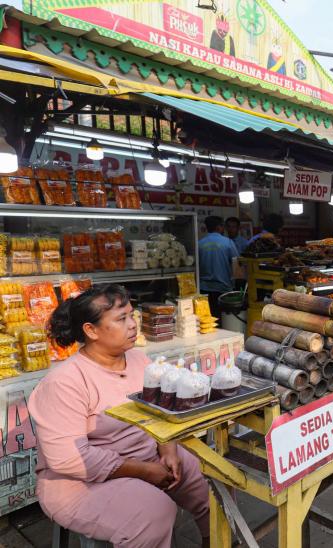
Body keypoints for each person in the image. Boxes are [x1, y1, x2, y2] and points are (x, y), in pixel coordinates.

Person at [30, 285, 209, 547]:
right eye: (121, 319)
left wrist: (168, 449)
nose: (132, 325)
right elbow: (69, 459)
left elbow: (161, 411)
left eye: (131, 315)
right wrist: (143, 471)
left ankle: (217, 539)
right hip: (77, 483)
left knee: (207, 477)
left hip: (145, 458)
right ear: (91, 331)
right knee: (154, 513)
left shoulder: (139, 360)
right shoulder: (64, 382)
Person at [198, 216, 239, 314]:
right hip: (223, 289)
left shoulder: (199, 244)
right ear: (218, 227)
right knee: (224, 319)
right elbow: (237, 264)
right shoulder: (228, 242)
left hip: (204, 289)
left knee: (208, 319)